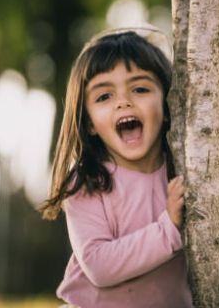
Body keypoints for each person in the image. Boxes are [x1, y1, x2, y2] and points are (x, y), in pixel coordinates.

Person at [40, 27, 192, 308]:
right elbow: (99, 266)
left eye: (140, 89)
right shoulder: (87, 182)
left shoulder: (187, 170)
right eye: (104, 96)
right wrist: (169, 229)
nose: (124, 101)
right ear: (89, 123)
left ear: (168, 104)